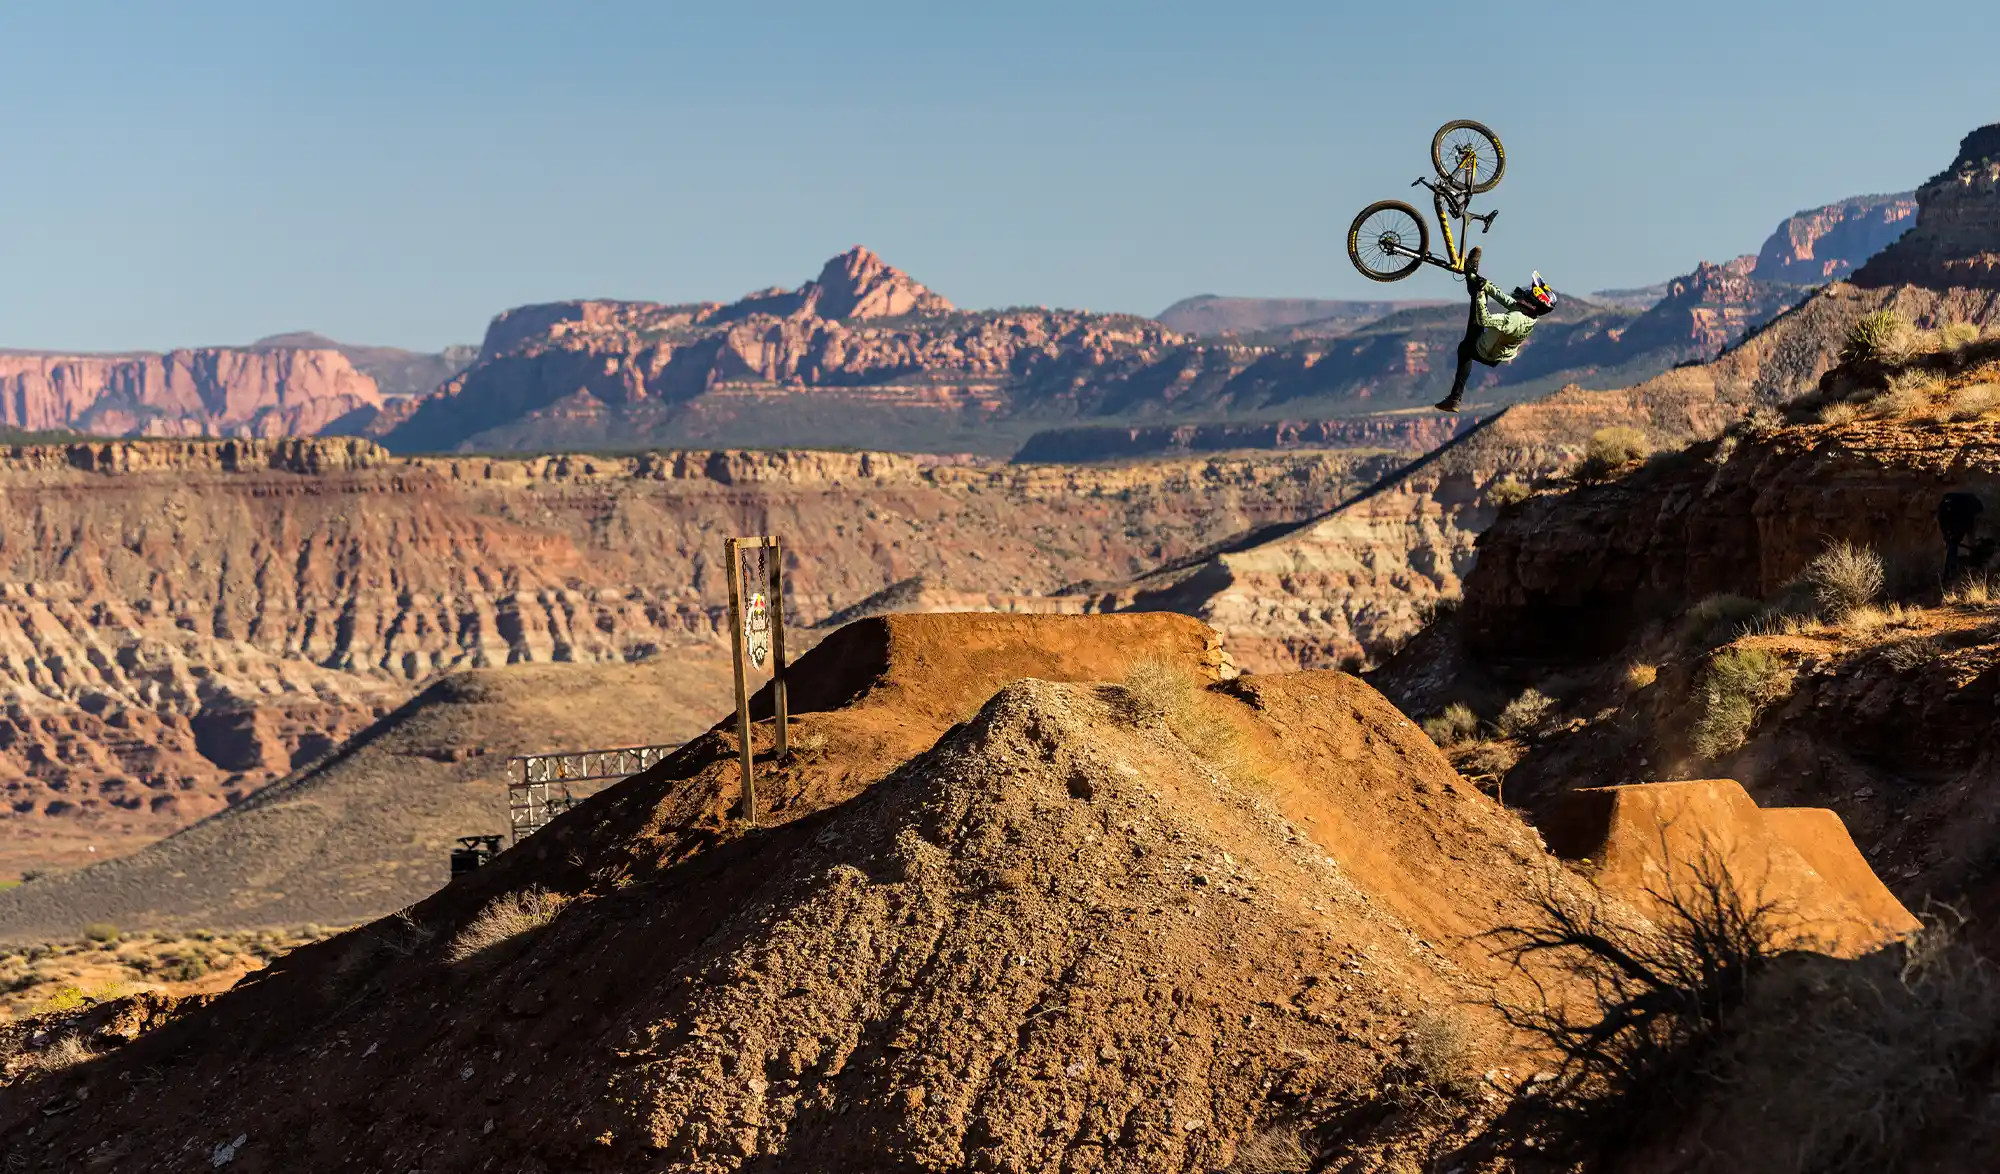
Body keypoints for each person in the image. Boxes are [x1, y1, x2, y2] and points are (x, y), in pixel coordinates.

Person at [1435, 268, 1556, 413]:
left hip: (1486, 352)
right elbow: (1505, 299)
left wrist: (1480, 294)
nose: (1527, 293)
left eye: (1531, 294)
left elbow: (1484, 319)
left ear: (1534, 301)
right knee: (1478, 302)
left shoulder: (1516, 319)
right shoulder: (1530, 315)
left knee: (1465, 348)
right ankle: (1471, 276)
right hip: (1498, 352)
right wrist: (1485, 285)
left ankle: (1455, 398)